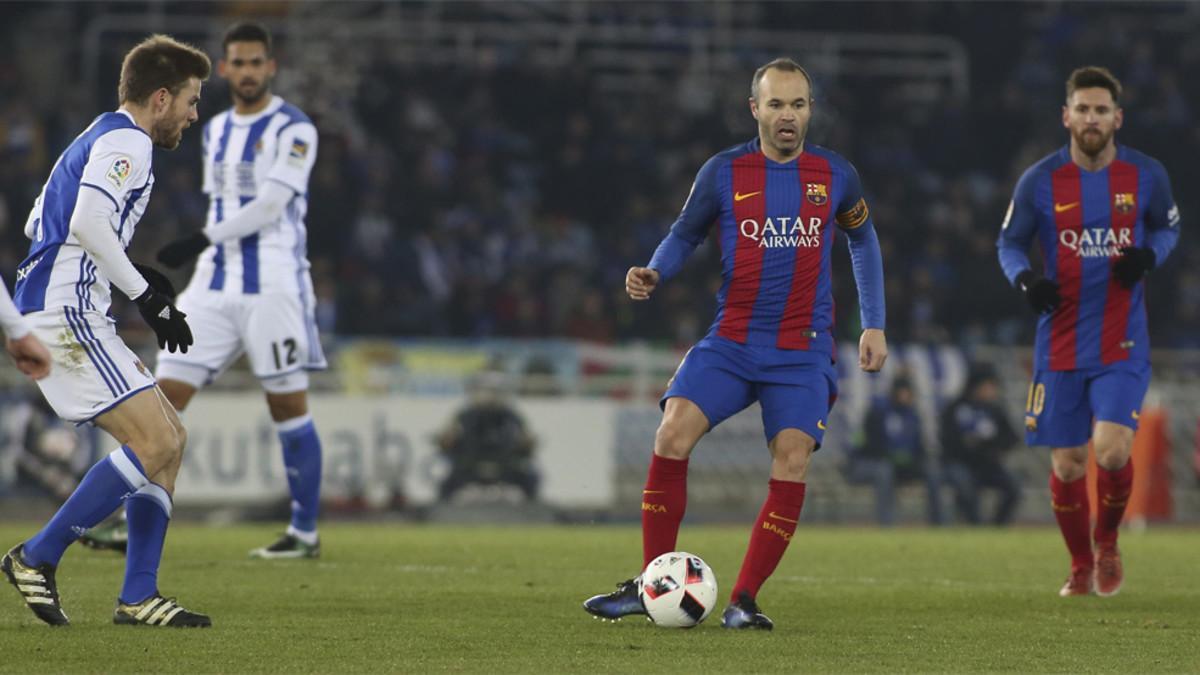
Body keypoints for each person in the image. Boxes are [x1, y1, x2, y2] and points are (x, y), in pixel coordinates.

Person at [583, 58, 887, 630]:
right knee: (672, 431)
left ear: (810, 109)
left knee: (792, 459)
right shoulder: (723, 172)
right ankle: (652, 585)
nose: (787, 116)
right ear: (755, 110)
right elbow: (685, 232)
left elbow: (863, 239)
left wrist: (874, 321)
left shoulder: (835, 174)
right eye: (775, 104)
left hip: (802, 350)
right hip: (733, 341)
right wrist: (655, 271)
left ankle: (744, 600)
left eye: (797, 104)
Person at [1, 34, 210, 627]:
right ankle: (36, 557)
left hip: (68, 303)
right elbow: (89, 221)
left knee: (171, 438)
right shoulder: (129, 142)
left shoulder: (99, 134)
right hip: (65, 311)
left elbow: (42, 220)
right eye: (192, 102)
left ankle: (139, 597)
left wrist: (126, 270)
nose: (194, 116)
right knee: (158, 443)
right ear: (162, 97)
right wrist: (146, 296)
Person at [997, 66, 1180, 597]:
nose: (1092, 118)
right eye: (1083, 109)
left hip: (1122, 338)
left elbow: (1169, 226)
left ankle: (1107, 543)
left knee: (1113, 451)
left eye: (1102, 110)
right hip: (1058, 340)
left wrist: (1150, 255)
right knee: (1069, 463)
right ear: (1067, 115)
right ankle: (1080, 563)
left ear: (1117, 118)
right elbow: (1008, 243)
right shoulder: (1039, 180)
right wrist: (1026, 278)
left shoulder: (1147, 175)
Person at [149, 22, 326, 559]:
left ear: (271, 67)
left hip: (273, 283)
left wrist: (199, 238)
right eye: (238, 63)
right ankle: (127, 516)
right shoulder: (218, 126)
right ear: (223, 69)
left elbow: (271, 207)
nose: (247, 72)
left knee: (287, 405)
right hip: (213, 284)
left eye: (257, 62)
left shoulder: (295, 129)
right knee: (158, 402)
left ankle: (304, 533)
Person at [845, 377, 943, 526]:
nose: (905, 396)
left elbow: (919, 446)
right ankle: (886, 523)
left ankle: (939, 523)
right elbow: (868, 446)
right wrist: (890, 455)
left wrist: (915, 458)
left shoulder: (913, 416)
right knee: (884, 471)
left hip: (904, 465)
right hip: (873, 463)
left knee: (932, 472)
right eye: (902, 392)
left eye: (908, 393)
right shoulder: (878, 413)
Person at [938, 364, 1021, 525]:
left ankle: (997, 526)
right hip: (960, 463)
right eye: (989, 386)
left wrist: (992, 446)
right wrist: (968, 445)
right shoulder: (955, 408)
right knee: (964, 484)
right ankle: (975, 525)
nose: (992, 391)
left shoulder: (995, 410)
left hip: (988, 464)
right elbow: (947, 439)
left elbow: (1012, 438)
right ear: (976, 386)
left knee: (1013, 487)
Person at [436, 372, 538, 503]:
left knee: (531, 478)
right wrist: (446, 440)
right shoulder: (464, 415)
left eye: (493, 392)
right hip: (469, 467)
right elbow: (448, 438)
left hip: (506, 467)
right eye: (485, 391)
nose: (489, 396)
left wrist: (526, 443)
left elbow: (526, 439)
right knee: (447, 484)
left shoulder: (511, 416)